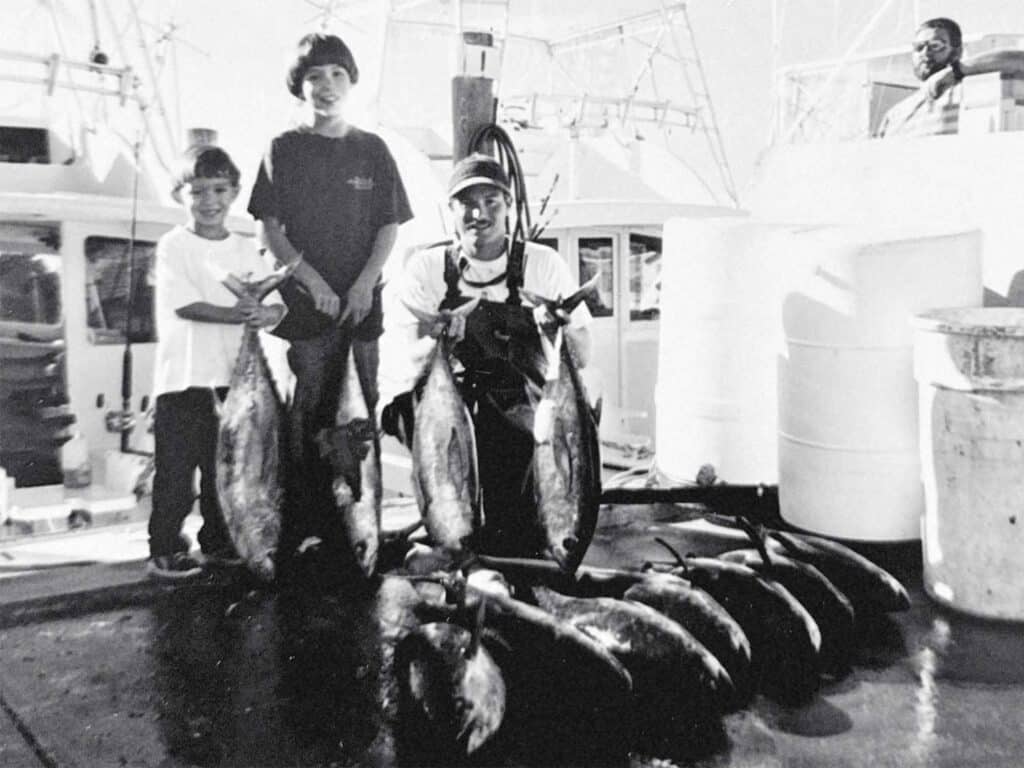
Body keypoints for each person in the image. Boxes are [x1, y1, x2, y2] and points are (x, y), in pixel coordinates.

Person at [248, 32, 413, 565]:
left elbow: (388, 227)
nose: (326, 86)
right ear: (300, 88)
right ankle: (303, 525)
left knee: (358, 425)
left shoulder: (373, 148)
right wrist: (313, 282)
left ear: (352, 83)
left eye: (337, 75)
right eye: (314, 77)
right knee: (307, 417)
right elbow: (272, 229)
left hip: (362, 308)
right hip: (307, 309)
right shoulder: (284, 148)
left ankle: (358, 524)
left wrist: (363, 284)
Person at [383, 153, 591, 558]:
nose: (479, 213)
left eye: (491, 202)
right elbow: (407, 354)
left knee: (512, 507)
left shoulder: (542, 265)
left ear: (509, 206)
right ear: (451, 211)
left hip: (517, 405)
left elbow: (581, 355)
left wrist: (556, 328)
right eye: (467, 203)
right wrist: (435, 337)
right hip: (445, 402)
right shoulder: (428, 267)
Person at [148, 145, 287, 580]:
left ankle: (218, 541)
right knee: (175, 472)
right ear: (179, 195)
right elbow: (184, 305)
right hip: (183, 379)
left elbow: (277, 308)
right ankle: (166, 547)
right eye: (198, 191)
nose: (209, 201)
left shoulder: (247, 249)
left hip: (234, 379)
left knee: (223, 469)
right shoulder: (173, 245)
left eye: (219, 189)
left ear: (235, 192)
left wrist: (266, 313)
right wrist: (240, 313)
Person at [876, 17, 1024, 138]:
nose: (925, 53)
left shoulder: (971, 91)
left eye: (935, 45)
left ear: (957, 52)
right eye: (919, 47)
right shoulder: (894, 115)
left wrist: (956, 70)